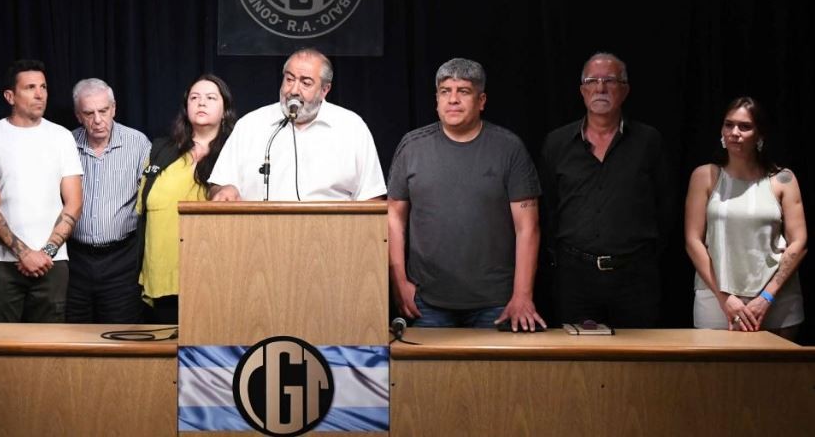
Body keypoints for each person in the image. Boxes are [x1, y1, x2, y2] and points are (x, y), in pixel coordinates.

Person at [387, 58, 545, 331]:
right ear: (436, 100)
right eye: (445, 91)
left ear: (481, 100)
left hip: (496, 302)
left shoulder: (509, 149)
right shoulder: (412, 147)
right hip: (426, 301)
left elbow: (528, 227)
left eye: (463, 91)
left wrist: (522, 295)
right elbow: (393, 219)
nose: (453, 99)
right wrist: (398, 282)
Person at [540, 52, 672, 328]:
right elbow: (548, 207)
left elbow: (664, 205)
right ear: (582, 90)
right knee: (578, 355)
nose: (600, 88)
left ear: (625, 90)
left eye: (610, 80)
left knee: (639, 353)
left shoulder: (649, 141)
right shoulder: (557, 143)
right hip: (575, 279)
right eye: (592, 81)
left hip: (635, 278)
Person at [685, 97, 806, 340]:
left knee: (778, 366)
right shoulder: (705, 176)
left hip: (775, 301)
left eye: (745, 126)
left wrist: (766, 297)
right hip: (717, 301)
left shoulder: (783, 179)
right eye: (729, 125)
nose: (735, 132)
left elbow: (799, 242)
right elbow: (693, 241)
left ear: (760, 134)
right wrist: (725, 298)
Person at [209, 48, 385, 201]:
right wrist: (224, 190)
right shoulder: (250, 125)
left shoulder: (351, 127)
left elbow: (372, 196)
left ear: (325, 90)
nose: (293, 90)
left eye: (305, 83)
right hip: (258, 229)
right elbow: (218, 185)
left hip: (332, 229)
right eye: (289, 79)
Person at [0, 61, 83, 322]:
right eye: (30, 88)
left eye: (43, 87)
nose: (40, 94)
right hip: (1, 262)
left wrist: (46, 252)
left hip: (52, 262)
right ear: (10, 96)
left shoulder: (61, 137)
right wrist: (24, 253)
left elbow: (74, 202)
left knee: (50, 344)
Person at [137, 74, 236, 324]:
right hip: (162, 274)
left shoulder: (237, 153)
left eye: (210, 98)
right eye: (194, 98)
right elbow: (142, 206)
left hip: (214, 275)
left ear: (225, 110)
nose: (201, 103)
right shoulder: (161, 149)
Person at [67, 78, 151, 323]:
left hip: (121, 259)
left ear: (113, 109)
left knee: (121, 334)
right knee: (74, 333)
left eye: (103, 111)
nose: (97, 120)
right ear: (78, 116)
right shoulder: (66, 143)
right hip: (75, 260)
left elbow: (150, 198)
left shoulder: (138, 143)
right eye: (88, 113)